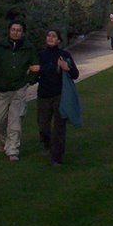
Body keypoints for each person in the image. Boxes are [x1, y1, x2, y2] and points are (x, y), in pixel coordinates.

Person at [0, 20, 39, 161]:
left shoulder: (28, 48)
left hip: (18, 88)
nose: (15, 32)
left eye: (18, 30)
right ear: (9, 31)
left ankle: (13, 149)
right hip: (0, 89)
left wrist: (30, 80)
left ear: (23, 33)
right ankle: (4, 140)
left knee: (16, 120)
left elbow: (36, 65)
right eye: (13, 29)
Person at [35, 29, 79, 165]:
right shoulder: (40, 55)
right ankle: (47, 144)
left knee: (59, 127)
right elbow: (34, 74)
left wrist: (66, 67)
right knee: (44, 126)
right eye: (48, 35)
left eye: (53, 36)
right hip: (43, 94)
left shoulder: (64, 55)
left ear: (59, 40)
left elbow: (75, 74)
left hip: (60, 95)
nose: (50, 38)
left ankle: (57, 157)